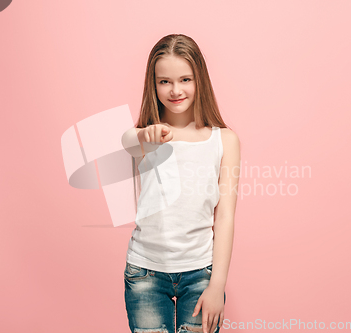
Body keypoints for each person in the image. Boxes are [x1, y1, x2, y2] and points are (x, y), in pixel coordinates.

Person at [121, 34, 240, 333]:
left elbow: (224, 217)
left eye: (185, 79)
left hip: (200, 273)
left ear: (199, 79)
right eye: (164, 82)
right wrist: (144, 135)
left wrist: (217, 286)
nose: (175, 90)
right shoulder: (146, 136)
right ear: (153, 84)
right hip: (145, 273)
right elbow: (127, 140)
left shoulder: (224, 140)